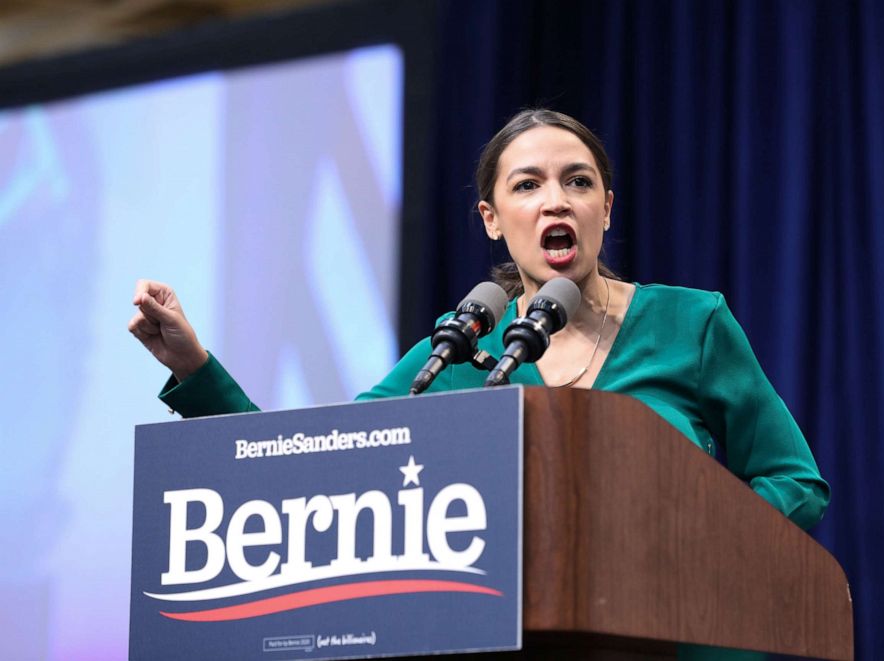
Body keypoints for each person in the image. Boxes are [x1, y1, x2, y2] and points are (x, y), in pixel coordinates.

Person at [129, 109, 828, 660]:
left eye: (578, 181)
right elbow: (317, 465)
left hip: (678, 641)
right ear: (492, 219)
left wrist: (685, 542)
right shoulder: (459, 344)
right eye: (527, 184)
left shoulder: (690, 322)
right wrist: (195, 370)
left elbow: (794, 481)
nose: (557, 200)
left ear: (606, 208)